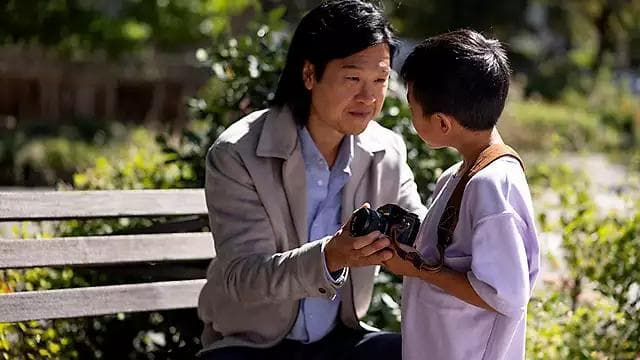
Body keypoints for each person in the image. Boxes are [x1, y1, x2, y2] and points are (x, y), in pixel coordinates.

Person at [197, 1, 426, 359]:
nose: (368, 97)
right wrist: (329, 257)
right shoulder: (238, 153)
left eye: (380, 80)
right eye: (352, 79)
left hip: (341, 341)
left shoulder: (387, 150)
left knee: (422, 351)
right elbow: (242, 277)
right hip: (252, 346)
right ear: (309, 74)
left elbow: (420, 231)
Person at [382, 29, 540, 360]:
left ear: (442, 123)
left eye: (412, 107)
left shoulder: (490, 185)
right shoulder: (459, 175)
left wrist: (414, 268)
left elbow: (505, 295)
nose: (411, 118)